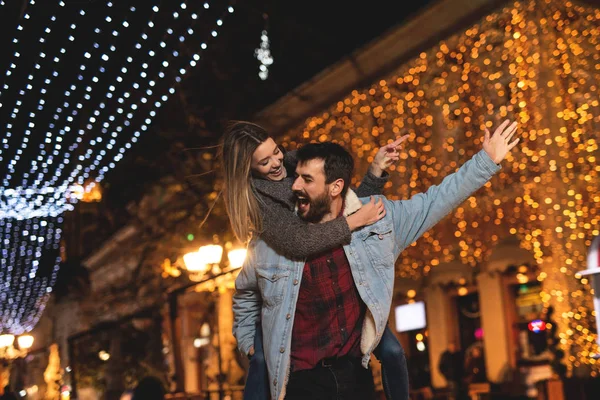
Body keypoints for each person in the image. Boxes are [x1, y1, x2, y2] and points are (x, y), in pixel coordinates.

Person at [233, 120, 519, 400]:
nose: (292, 186)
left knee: (393, 352)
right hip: (298, 381)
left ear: (335, 187)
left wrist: (486, 160)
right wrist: (250, 346)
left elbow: (436, 200)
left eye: (305, 179)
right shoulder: (271, 240)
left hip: (355, 375)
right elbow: (246, 294)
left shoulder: (376, 222)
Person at [221, 121, 410, 400]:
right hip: (298, 324)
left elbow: (343, 196)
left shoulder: (293, 160)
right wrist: (250, 343)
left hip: (341, 304)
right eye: (265, 162)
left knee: (393, 351)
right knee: (261, 364)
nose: (277, 163)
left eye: (276, 151)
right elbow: (300, 242)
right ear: (248, 169)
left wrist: (377, 169)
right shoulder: (260, 201)